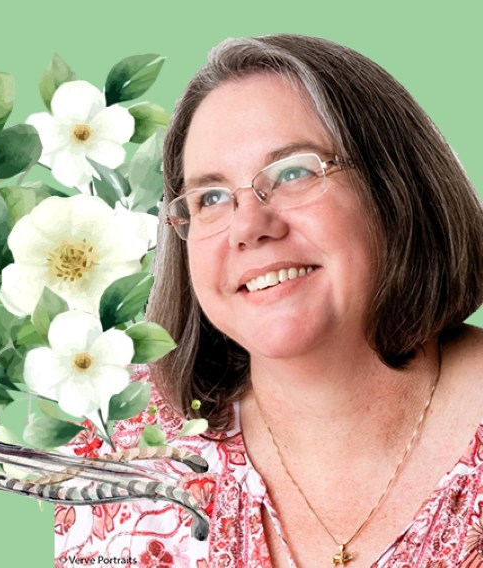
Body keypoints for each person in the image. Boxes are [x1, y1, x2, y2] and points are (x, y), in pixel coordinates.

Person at [55, 34, 483, 567]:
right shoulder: (119, 442)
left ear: (396, 186)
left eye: (294, 172)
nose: (248, 226)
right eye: (210, 197)